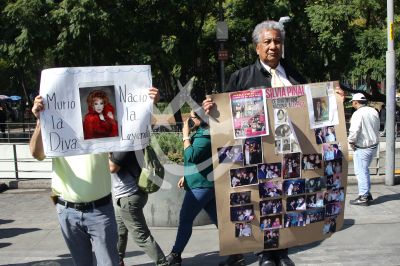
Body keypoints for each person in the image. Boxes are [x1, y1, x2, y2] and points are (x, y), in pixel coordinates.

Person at [202, 20, 344, 266]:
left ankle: (282, 251)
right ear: (257, 47)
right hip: (257, 159)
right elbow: (224, 117)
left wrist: (335, 100)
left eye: (277, 41)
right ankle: (265, 254)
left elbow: (314, 111)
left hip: (291, 158)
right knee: (262, 205)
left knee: (286, 204)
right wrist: (210, 111)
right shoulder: (241, 77)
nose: (272, 46)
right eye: (267, 42)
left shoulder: (295, 75)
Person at [29, 95, 120, 266]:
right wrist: (41, 121)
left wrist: (145, 104)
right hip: (66, 210)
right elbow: (36, 154)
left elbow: (131, 131)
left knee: (109, 263)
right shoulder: (56, 128)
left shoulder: (99, 125)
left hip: (100, 210)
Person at [109, 90, 169, 266]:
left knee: (141, 235)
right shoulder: (126, 135)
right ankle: (117, 260)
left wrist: (101, 151)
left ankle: (162, 263)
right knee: (120, 231)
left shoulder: (126, 139)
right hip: (123, 195)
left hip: (128, 196)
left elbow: (113, 167)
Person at [166, 110, 225, 266]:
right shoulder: (201, 132)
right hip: (202, 183)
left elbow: (191, 156)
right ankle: (237, 252)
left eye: (191, 117)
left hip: (201, 186)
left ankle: (175, 254)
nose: (188, 120)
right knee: (220, 221)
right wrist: (186, 175)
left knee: (185, 219)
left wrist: (185, 135)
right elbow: (199, 162)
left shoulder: (205, 136)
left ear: (200, 119)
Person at [348, 93, 380, 206]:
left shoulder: (358, 114)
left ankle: (363, 196)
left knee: (360, 172)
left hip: (363, 147)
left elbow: (354, 131)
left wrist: (351, 141)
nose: (352, 104)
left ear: (356, 102)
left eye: (352, 102)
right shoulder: (373, 111)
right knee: (364, 170)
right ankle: (367, 193)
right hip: (373, 146)